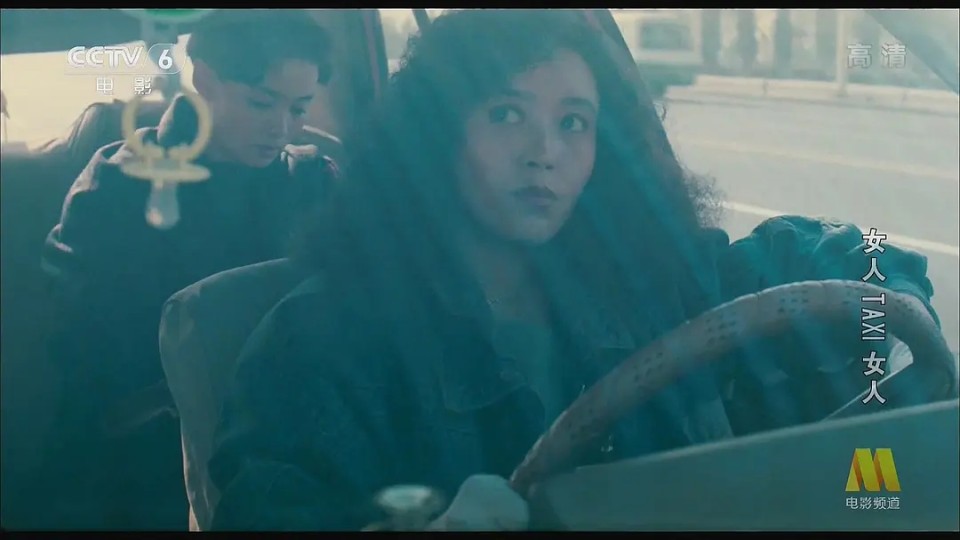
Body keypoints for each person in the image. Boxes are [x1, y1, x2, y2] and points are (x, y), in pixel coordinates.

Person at [207, 9, 940, 531]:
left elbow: (863, 256)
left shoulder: (653, 279)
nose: (544, 153)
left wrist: (899, 318)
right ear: (429, 136)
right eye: (506, 114)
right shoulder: (321, 340)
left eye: (573, 123)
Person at [35, 10, 339, 530]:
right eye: (261, 103)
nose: (282, 127)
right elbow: (89, 354)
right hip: (154, 443)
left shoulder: (314, 182)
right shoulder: (118, 188)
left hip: (302, 422)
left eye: (299, 108)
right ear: (205, 79)